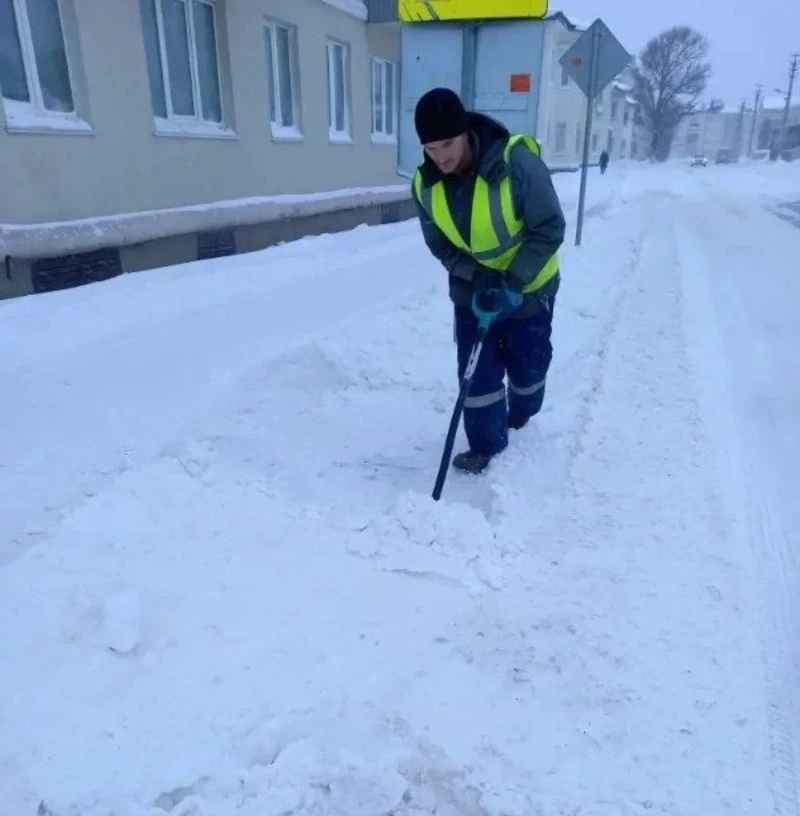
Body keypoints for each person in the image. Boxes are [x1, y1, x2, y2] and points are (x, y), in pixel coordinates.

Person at [411, 87, 565, 474]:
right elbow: (440, 246)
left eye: (448, 142)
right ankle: (486, 444)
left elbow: (550, 227)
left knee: (527, 369)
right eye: (431, 147)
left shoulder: (517, 164)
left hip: (529, 290)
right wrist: (476, 275)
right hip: (474, 293)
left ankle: (523, 410)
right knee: (476, 372)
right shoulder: (423, 186)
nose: (441, 156)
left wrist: (513, 281)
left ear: (466, 133)